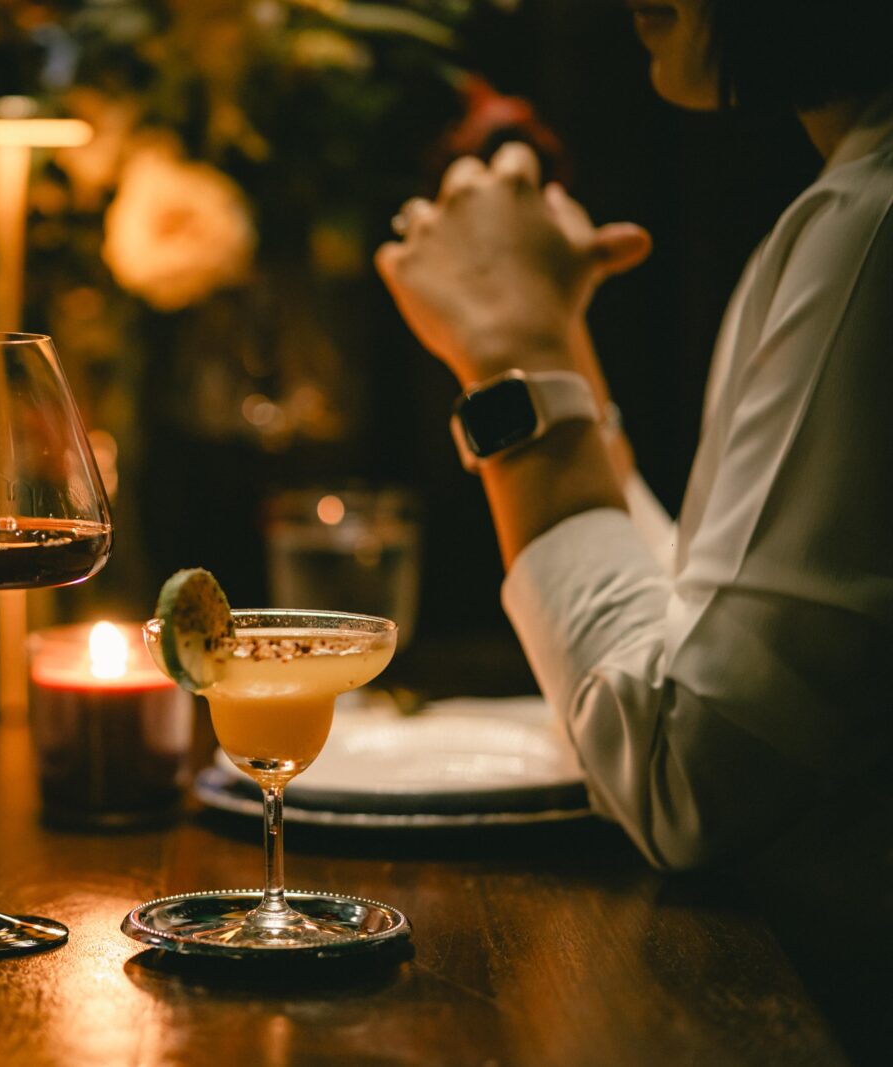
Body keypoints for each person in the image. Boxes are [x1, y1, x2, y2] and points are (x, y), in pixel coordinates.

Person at [375, 0, 891, 1038]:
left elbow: (686, 768)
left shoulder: (871, 224)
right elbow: (709, 643)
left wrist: (510, 355)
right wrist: (547, 357)